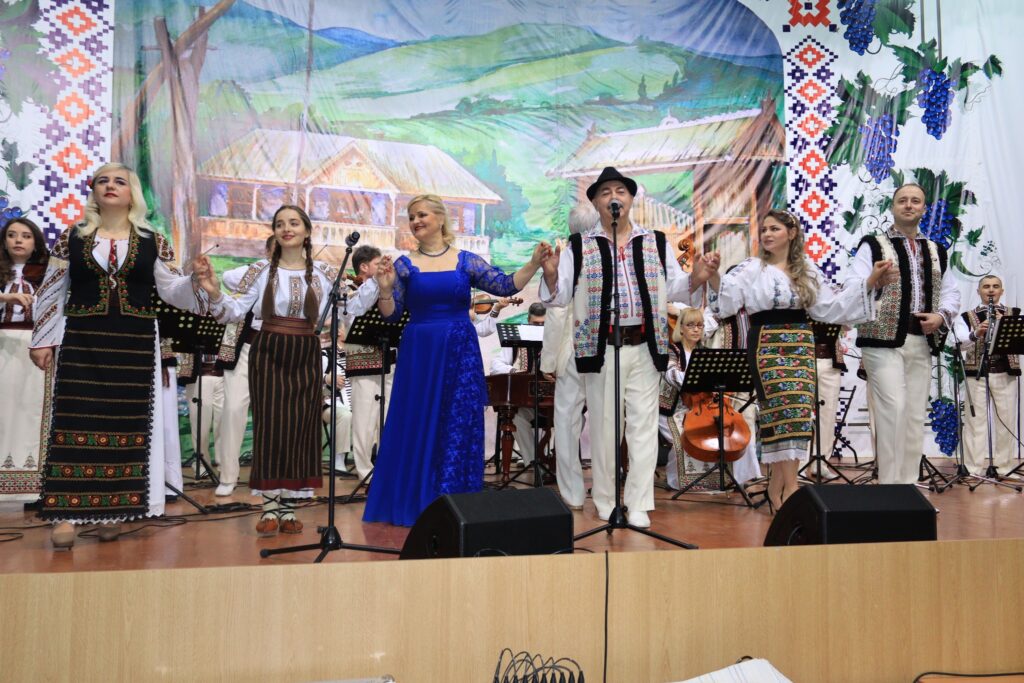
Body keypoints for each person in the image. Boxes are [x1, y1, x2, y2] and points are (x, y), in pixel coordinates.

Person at [29, 163, 199, 548]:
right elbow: (52, 290)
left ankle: (113, 510)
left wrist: (195, 281)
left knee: (125, 425)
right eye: (103, 181)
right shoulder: (72, 237)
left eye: (119, 181)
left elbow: (172, 291)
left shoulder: (153, 240)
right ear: (94, 191)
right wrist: (42, 340)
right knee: (74, 420)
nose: (110, 186)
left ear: (131, 192)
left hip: (133, 343)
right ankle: (66, 514)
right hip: (82, 338)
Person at [540, 167, 714, 529]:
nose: (613, 197)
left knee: (643, 427)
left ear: (631, 199)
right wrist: (552, 274)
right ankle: (606, 500)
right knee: (606, 429)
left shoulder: (655, 241)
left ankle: (638, 503)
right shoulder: (579, 246)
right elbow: (560, 295)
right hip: (602, 348)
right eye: (605, 193)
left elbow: (676, 288)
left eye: (620, 191)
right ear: (595, 203)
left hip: (646, 346)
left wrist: (697, 276)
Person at [363, 194, 551, 526]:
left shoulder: (465, 261)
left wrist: (534, 263)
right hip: (420, 350)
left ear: (440, 218)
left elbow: (505, 285)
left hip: (459, 350)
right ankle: (415, 498)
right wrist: (385, 288)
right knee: (417, 418)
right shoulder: (404, 265)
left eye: (422, 215)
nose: (416, 221)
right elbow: (391, 315)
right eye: (411, 217)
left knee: (457, 420)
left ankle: (455, 500)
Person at [707, 209, 891, 511]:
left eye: (774, 229)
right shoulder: (752, 268)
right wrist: (714, 274)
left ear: (791, 233)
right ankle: (791, 489)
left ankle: (776, 488)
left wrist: (870, 281)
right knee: (780, 415)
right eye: (764, 229)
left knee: (798, 415)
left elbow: (831, 307)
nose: (767, 234)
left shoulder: (806, 269)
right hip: (767, 344)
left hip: (801, 344)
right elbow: (727, 301)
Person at [193, 205, 360, 536]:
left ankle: (289, 508)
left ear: (307, 231)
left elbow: (350, 309)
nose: (287, 228)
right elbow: (234, 312)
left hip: (306, 351)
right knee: (270, 426)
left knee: (301, 426)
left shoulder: (325, 273)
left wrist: (380, 287)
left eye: (294, 223)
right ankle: (270, 506)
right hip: (268, 349)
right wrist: (213, 291)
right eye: (280, 223)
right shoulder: (260, 271)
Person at [850, 183, 961, 484]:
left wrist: (940, 316)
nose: (909, 205)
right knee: (893, 408)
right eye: (902, 200)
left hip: (921, 340)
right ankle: (890, 488)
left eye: (915, 201)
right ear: (893, 207)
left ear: (924, 209)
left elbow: (951, 292)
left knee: (913, 414)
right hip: (880, 340)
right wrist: (873, 281)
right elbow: (853, 286)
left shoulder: (936, 250)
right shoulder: (872, 245)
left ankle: (909, 485)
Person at [540, 203, 597, 510]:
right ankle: (605, 489)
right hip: (605, 348)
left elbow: (557, 314)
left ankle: (573, 493)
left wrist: (548, 360)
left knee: (565, 423)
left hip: (573, 350)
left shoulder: (569, 255)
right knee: (606, 421)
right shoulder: (607, 253)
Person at [0, 217, 49, 505]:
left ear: (36, 243)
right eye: (12, 235)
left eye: (26, 236)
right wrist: (6, 298)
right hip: (3, 345)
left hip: (36, 347)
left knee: (32, 413)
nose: (18, 240)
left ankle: (33, 488)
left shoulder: (47, 276)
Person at [952, 275, 1020, 476]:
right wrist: (976, 333)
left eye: (995, 286)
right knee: (975, 423)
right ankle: (973, 467)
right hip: (977, 374)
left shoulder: (1015, 313)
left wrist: (1004, 324)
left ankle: (1004, 467)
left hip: (1005, 373)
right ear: (979, 291)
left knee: (1006, 421)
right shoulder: (966, 317)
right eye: (986, 287)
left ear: (1002, 291)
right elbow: (958, 343)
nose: (991, 290)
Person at [341, 245, 393, 481]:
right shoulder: (351, 292)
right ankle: (365, 471)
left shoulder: (386, 287)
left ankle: (386, 469)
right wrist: (377, 281)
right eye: (377, 264)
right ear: (364, 267)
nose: (382, 268)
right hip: (363, 360)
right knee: (364, 420)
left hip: (389, 360)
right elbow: (358, 308)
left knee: (388, 419)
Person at [490, 302, 547, 469]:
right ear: (528, 321)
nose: (540, 327)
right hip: (527, 403)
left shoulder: (557, 340)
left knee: (577, 418)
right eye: (536, 324)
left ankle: (559, 464)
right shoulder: (517, 340)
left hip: (554, 402)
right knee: (517, 417)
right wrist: (514, 371)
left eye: (543, 324)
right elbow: (496, 365)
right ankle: (533, 463)